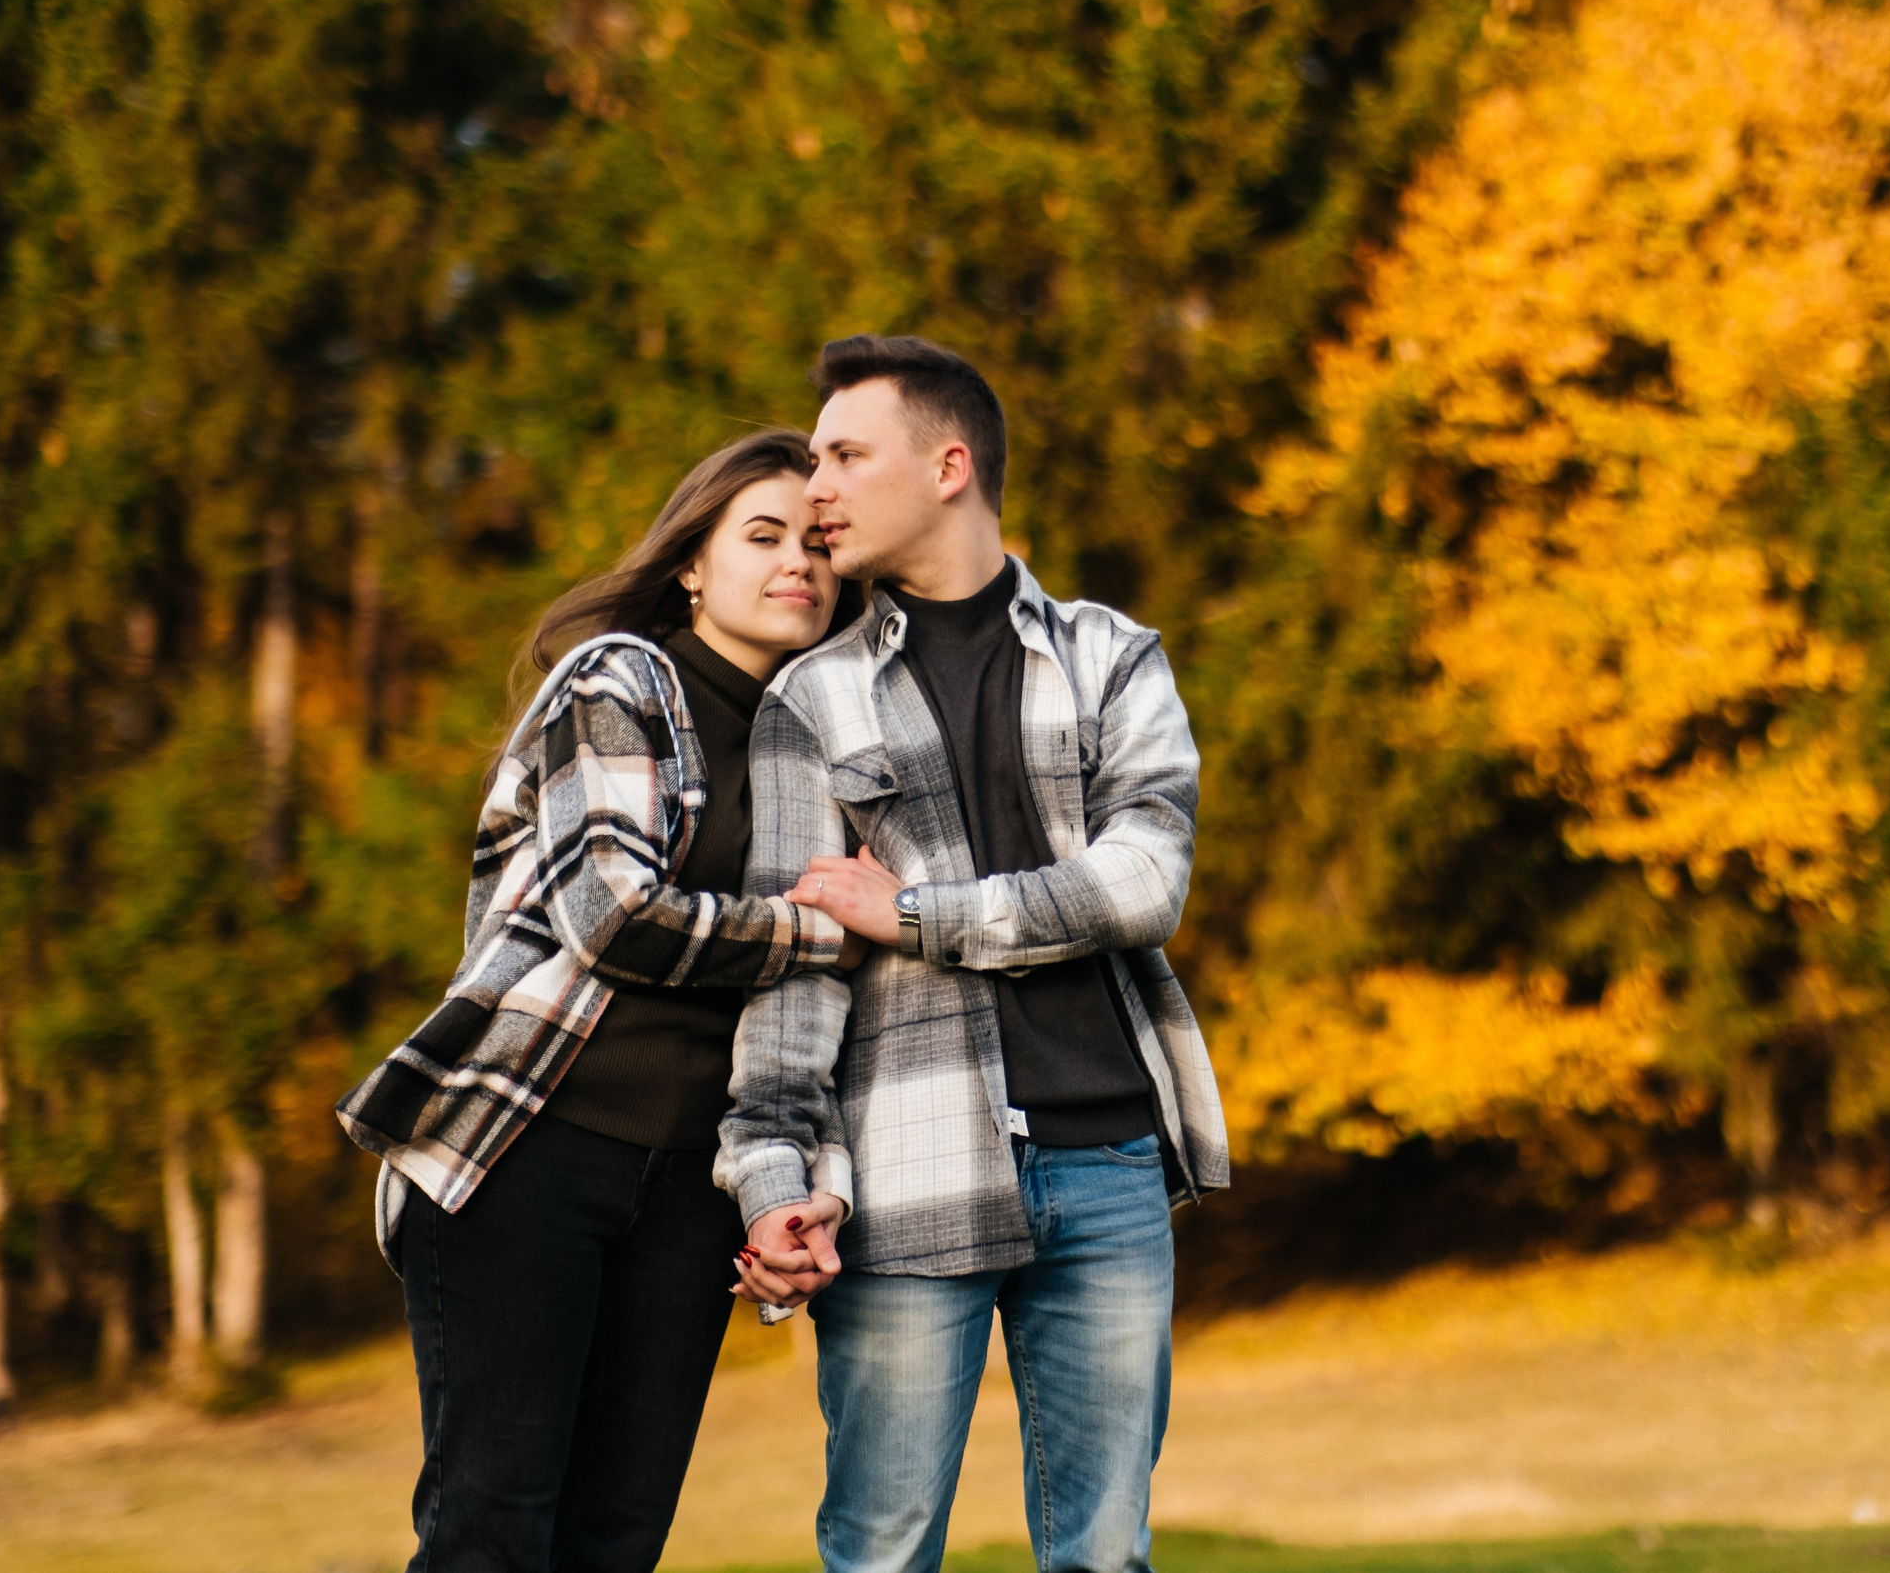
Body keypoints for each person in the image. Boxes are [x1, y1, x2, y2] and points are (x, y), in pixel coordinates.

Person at [720, 335, 1230, 1573]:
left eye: (846, 454)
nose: (817, 488)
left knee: (1104, 1552)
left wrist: (923, 915)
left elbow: (1144, 883)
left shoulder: (1114, 656)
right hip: (901, 1175)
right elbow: (792, 966)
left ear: (949, 464)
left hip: (1108, 1158)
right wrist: (773, 1174)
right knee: (883, 1549)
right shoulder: (810, 700)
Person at [335, 428, 864, 1573]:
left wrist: (805, 1180)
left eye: (821, 543)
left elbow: (813, 1026)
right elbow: (615, 913)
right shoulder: (622, 678)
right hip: (525, 1152)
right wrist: (830, 930)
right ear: (692, 562)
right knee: (493, 1530)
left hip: (685, 1187)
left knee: (616, 1542)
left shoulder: (821, 747)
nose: (799, 563)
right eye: (763, 535)